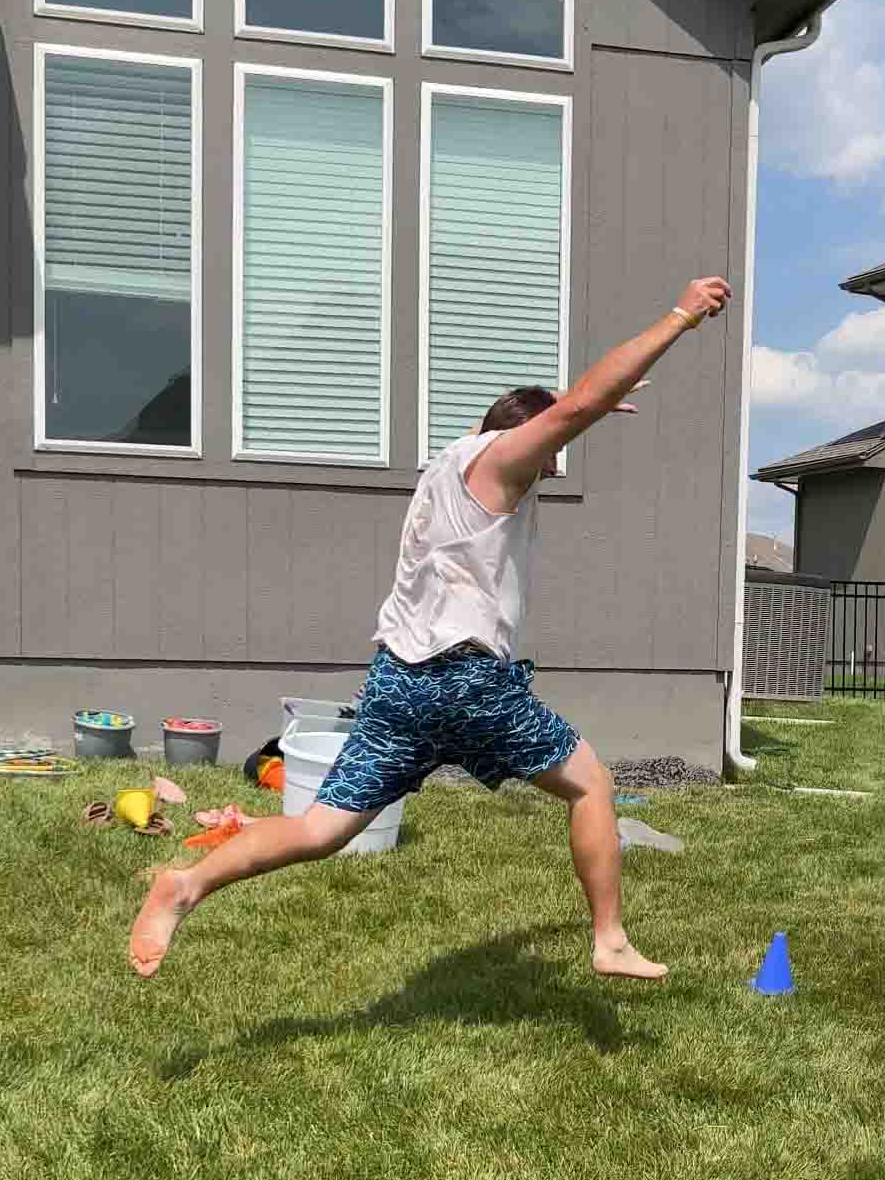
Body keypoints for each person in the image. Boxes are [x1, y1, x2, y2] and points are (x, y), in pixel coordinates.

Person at [129, 276, 731, 984]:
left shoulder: (451, 462)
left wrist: (583, 413)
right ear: (525, 437)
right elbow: (575, 405)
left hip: (396, 681)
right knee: (591, 783)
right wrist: (680, 316)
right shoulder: (502, 463)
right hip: (462, 679)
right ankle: (610, 938)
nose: (549, 467)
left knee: (321, 829)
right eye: (552, 450)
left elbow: (570, 410)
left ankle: (185, 886)